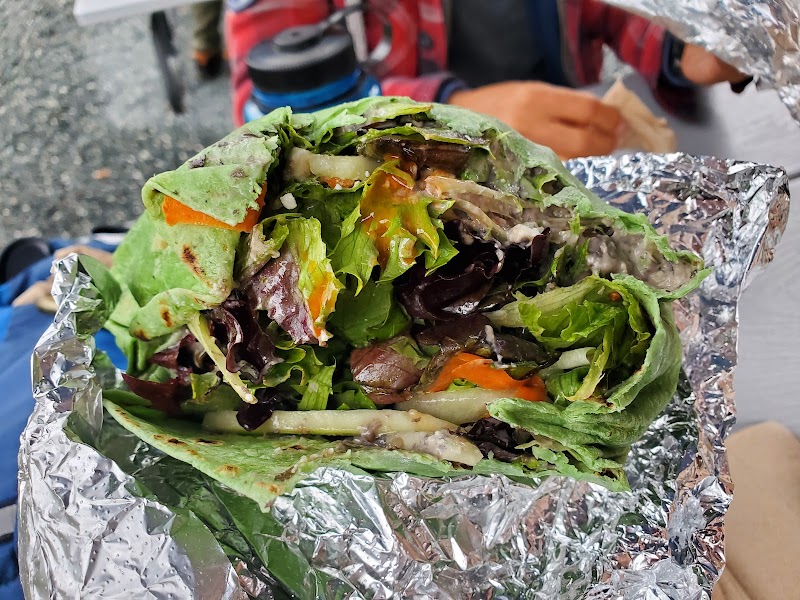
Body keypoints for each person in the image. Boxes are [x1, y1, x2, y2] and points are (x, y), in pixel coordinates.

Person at [225, 0, 748, 158]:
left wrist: (680, 43)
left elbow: (611, 11)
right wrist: (452, 112)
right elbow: (262, 115)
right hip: (412, 187)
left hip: (579, 154)